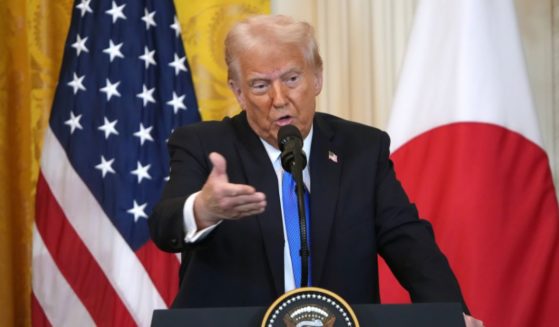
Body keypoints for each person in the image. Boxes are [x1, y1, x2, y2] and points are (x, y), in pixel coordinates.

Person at [148, 14, 483, 325]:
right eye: (260, 85)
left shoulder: (362, 149)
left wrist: (453, 316)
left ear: (317, 77)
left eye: (292, 79)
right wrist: (203, 209)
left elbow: (410, 245)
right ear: (238, 92)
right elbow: (165, 226)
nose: (279, 98)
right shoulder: (203, 145)